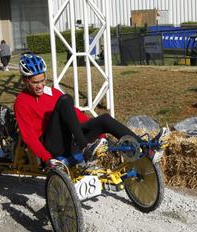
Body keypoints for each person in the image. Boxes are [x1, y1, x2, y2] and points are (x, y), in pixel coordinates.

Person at [14, 53, 143, 168]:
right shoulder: (21, 102)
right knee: (65, 100)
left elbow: (75, 116)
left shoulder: (52, 93)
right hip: (52, 146)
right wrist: (47, 158)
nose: (40, 86)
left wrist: (100, 135)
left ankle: (146, 146)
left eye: (43, 80)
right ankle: (84, 147)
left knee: (104, 119)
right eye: (35, 82)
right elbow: (29, 137)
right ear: (26, 80)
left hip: (70, 141)